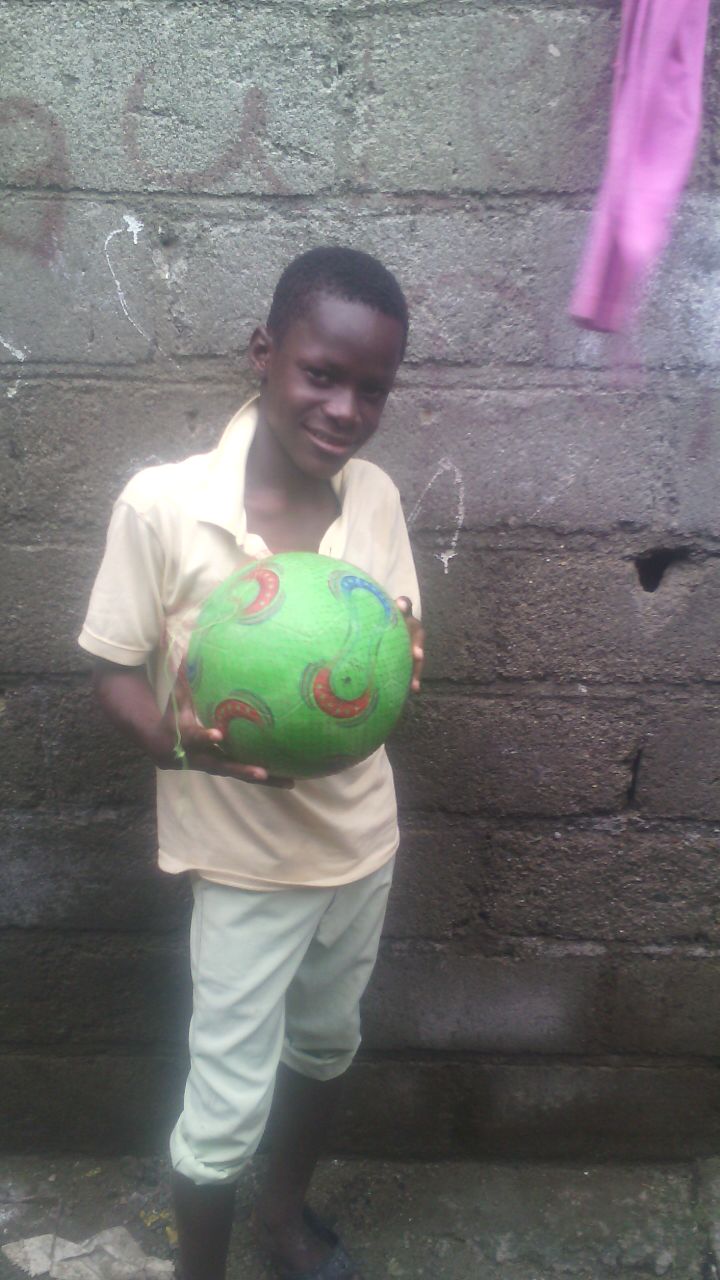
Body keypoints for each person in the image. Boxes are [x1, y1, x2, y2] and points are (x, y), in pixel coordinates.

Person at [78, 246, 424, 1280]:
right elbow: (111, 668)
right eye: (322, 373)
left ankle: (283, 1218)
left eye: (373, 389)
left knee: (326, 1045)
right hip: (243, 869)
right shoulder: (163, 506)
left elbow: (394, 645)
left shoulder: (375, 500)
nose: (346, 409)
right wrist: (175, 741)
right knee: (224, 1105)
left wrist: (398, 668)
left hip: (359, 844)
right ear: (263, 352)